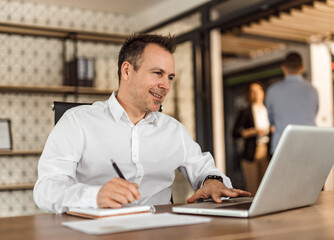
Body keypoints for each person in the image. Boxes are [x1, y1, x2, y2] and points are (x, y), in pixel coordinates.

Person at [33, 34, 250, 213]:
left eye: (170, 77)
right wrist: (95, 196)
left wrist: (212, 181)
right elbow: (46, 190)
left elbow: (205, 169)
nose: (165, 85)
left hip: (160, 232)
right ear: (127, 71)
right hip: (98, 231)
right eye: (158, 73)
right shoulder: (77, 121)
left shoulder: (173, 129)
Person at [265, 52, 319, 154]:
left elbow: (271, 119)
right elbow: (315, 113)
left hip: (282, 147)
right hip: (309, 145)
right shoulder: (312, 90)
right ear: (302, 67)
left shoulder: (273, 91)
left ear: (283, 68)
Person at [233, 82, 271, 194]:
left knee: (266, 186)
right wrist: (253, 131)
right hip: (251, 151)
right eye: (252, 91)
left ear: (263, 93)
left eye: (258, 90)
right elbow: (235, 133)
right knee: (253, 187)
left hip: (266, 150)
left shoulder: (268, 110)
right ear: (248, 95)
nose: (256, 94)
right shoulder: (245, 112)